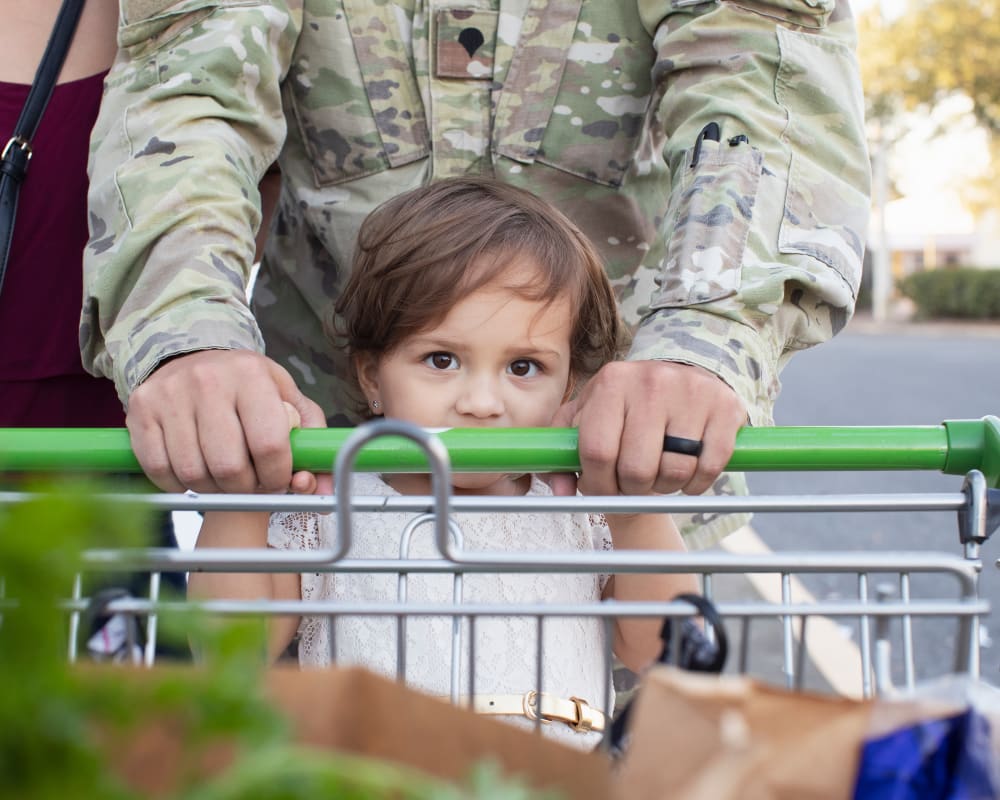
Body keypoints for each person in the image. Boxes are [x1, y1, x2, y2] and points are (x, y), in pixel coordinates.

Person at [82, 2, 871, 549]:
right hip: (317, 476)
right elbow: (189, 83)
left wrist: (703, 338)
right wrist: (188, 334)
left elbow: (767, 79)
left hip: (608, 468)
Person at [188, 178, 701, 747]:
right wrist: (244, 495)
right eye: (441, 359)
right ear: (371, 376)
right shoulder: (328, 507)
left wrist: (632, 511)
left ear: (569, 389)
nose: (481, 403)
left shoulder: (581, 514)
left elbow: (660, 647)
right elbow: (234, 647)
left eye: (524, 367)